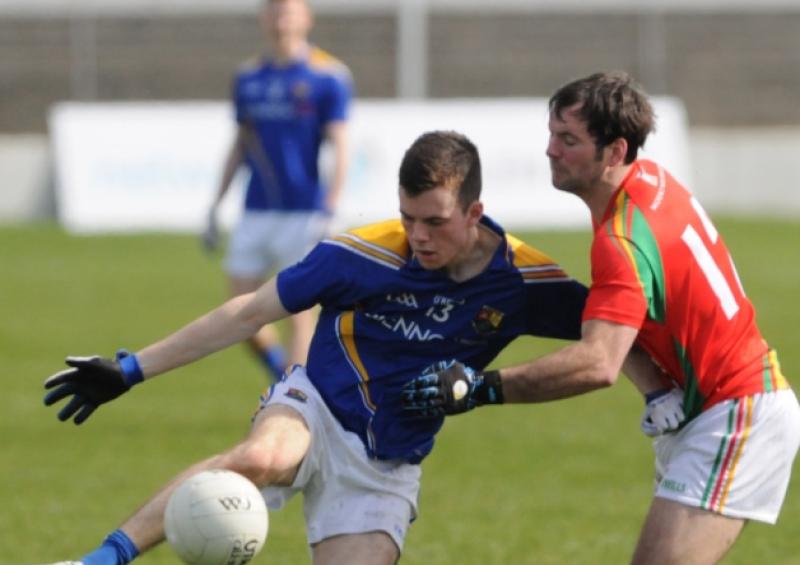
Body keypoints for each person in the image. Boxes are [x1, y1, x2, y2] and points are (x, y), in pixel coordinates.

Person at [43, 131, 679, 565]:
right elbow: (250, 311)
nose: (418, 235)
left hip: (385, 466)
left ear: (474, 212)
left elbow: (611, 330)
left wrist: (661, 394)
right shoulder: (359, 254)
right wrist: (131, 369)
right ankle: (101, 559)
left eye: (435, 221)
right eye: (408, 217)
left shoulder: (523, 279)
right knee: (264, 455)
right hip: (314, 407)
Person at [403, 73, 800, 564]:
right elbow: (628, 311)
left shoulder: (622, 238)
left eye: (569, 140)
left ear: (614, 151)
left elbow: (597, 362)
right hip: (712, 406)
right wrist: (655, 385)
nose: (551, 150)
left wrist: (479, 387)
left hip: (735, 410)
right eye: (552, 134)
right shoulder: (649, 180)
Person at [202, 0, 352, 380]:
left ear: (307, 17)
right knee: (239, 311)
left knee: (299, 313)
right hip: (256, 209)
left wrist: (330, 206)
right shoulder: (248, 77)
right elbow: (241, 143)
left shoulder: (328, 75)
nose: (280, 18)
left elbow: (340, 145)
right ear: (263, 17)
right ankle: (286, 377)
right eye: (273, 9)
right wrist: (216, 205)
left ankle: (294, 395)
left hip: (304, 212)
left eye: (289, 10)